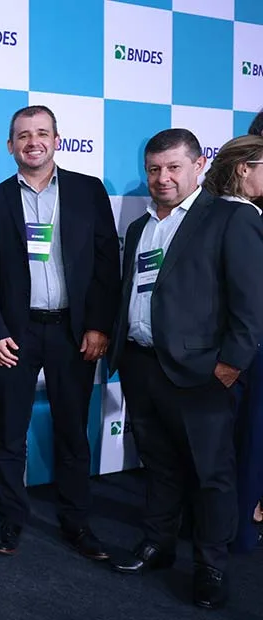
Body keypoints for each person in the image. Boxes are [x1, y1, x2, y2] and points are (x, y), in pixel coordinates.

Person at [107, 129, 263, 609]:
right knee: (158, 464)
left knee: (212, 474)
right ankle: (157, 544)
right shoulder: (140, 226)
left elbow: (251, 302)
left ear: (198, 166)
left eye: (174, 167)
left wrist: (230, 365)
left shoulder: (231, 217)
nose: (163, 177)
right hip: (141, 364)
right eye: (154, 169)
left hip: (202, 374)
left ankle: (210, 566)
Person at [0, 105, 120, 558]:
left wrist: (98, 324)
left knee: (73, 432)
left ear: (57, 140)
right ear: (10, 146)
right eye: (23, 135)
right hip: (17, 335)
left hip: (73, 333)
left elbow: (106, 264)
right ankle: (10, 519)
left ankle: (76, 522)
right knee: (10, 433)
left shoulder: (88, 190)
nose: (32, 142)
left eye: (41, 133)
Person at [202, 134, 263, 553]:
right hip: (246, 353)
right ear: (244, 168)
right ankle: (240, 531)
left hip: (231, 350)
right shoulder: (243, 216)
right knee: (248, 444)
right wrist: (236, 360)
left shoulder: (214, 210)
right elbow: (249, 297)